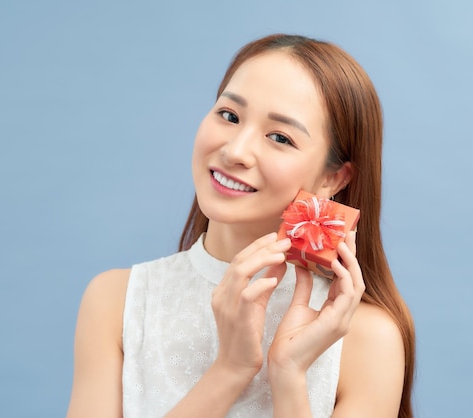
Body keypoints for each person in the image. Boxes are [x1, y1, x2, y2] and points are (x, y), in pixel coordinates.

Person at [66, 34, 415, 418]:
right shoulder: (117, 302)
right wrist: (229, 371)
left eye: (280, 137)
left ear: (334, 178)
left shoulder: (366, 337)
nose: (235, 151)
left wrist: (288, 374)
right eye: (229, 116)